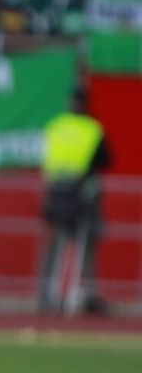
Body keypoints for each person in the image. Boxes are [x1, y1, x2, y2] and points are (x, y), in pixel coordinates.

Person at [37, 89, 110, 314]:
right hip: (81, 194)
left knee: (56, 244)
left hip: (56, 192)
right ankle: (82, 294)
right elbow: (105, 160)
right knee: (86, 244)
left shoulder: (55, 126)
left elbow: (44, 157)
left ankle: (48, 294)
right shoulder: (92, 129)